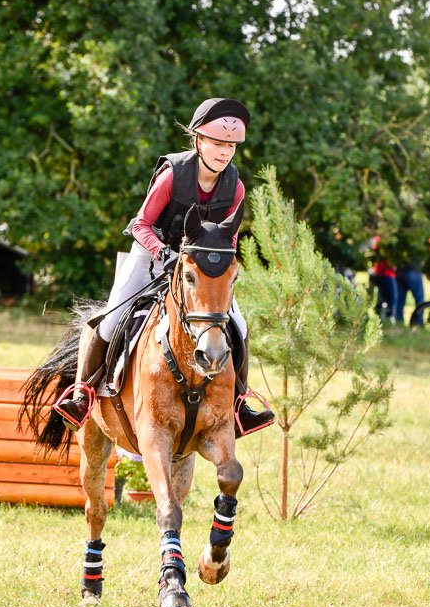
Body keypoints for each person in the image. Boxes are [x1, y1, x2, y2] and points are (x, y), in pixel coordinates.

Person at [57, 97, 274, 435]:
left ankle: (239, 404)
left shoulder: (236, 186)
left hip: (197, 271)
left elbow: (229, 238)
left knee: (240, 326)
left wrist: (218, 268)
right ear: (198, 140)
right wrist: (161, 252)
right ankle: (82, 394)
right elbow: (141, 224)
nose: (225, 152)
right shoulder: (173, 174)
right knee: (112, 318)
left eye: (231, 145)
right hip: (151, 255)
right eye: (218, 143)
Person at [396, 260, 424, 325]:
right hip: (413, 270)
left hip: (400, 272)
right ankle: (418, 323)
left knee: (400, 301)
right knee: (420, 300)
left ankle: (399, 323)